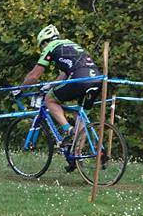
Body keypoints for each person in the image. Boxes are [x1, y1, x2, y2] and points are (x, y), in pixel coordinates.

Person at [18, 25, 100, 170]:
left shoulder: (51, 47)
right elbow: (65, 74)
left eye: (41, 46)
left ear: (45, 42)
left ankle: (68, 130)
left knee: (49, 99)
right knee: (80, 116)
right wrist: (49, 85)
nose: (42, 49)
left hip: (80, 79)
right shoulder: (71, 44)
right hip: (97, 79)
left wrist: (20, 89)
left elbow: (34, 76)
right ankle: (77, 156)